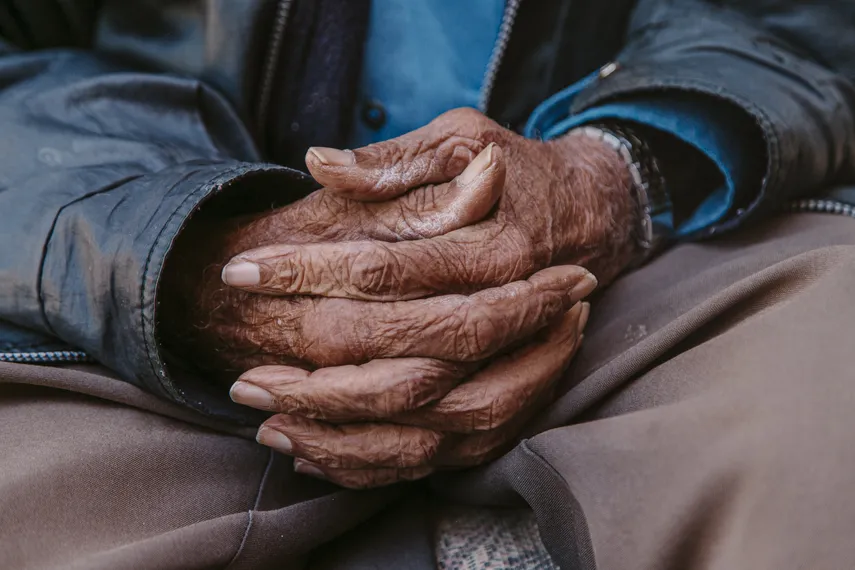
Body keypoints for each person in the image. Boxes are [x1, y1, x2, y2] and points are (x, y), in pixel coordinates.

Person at [1, 0, 854, 568]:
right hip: (124, 237)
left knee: (824, 439)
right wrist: (168, 247)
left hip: (677, 224)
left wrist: (616, 174)